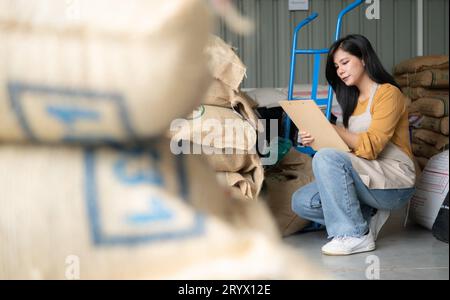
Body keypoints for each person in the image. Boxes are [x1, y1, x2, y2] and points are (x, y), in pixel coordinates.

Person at [291, 34, 417, 256]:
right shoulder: (349, 101)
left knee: (326, 157)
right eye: (336, 66)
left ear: (364, 59)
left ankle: (354, 235)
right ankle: (365, 218)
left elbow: (371, 148)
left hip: (394, 182)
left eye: (345, 62)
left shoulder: (388, 94)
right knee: (301, 201)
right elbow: (341, 153)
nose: (340, 70)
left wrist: (333, 129)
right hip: (365, 177)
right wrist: (316, 138)